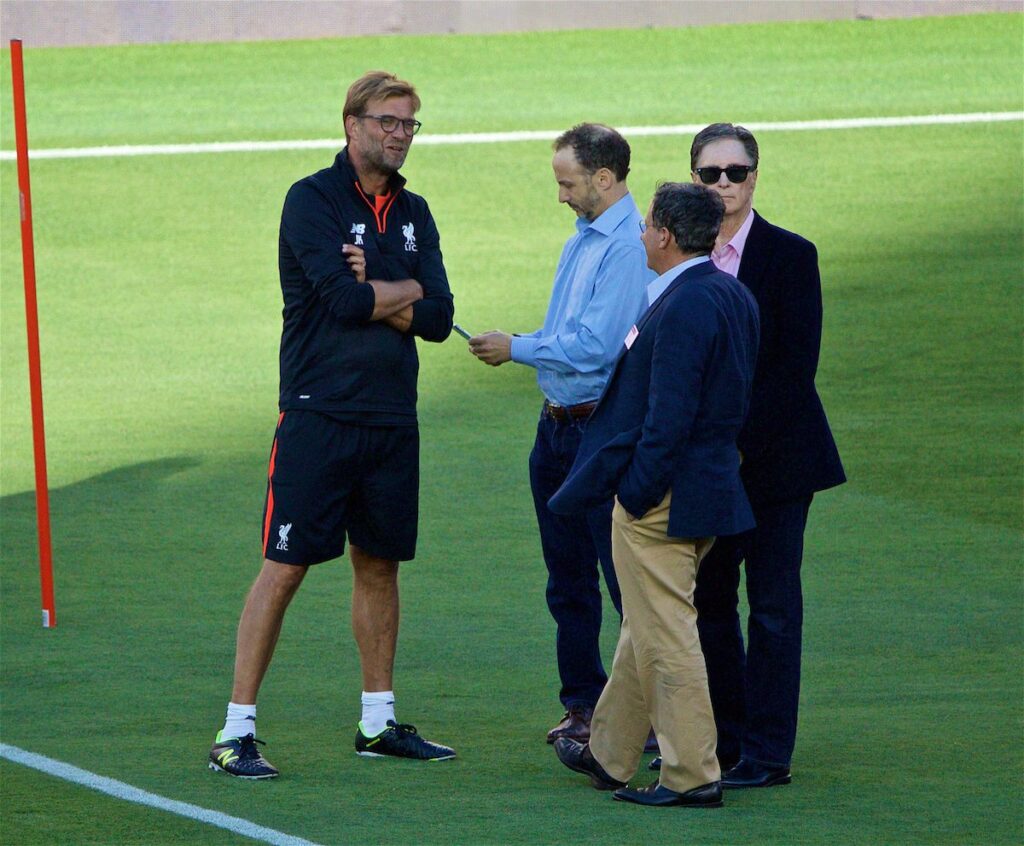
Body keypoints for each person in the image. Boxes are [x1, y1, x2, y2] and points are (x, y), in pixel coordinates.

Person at [208, 70, 456, 779]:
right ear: (351, 125)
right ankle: (235, 732)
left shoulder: (416, 212)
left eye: (410, 124)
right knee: (284, 568)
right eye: (387, 122)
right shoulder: (310, 200)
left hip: (391, 419)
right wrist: (399, 287)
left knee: (380, 566)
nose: (399, 135)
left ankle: (377, 722)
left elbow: (438, 318)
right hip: (319, 416)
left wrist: (379, 279)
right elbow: (343, 307)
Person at [548, 182, 760, 807]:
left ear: (665, 235)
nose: (640, 233)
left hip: (665, 498)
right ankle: (611, 755)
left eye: (645, 225)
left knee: (666, 636)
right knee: (645, 626)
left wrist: (637, 495)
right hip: (707, 489)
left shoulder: (686, 304)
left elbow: (670, 418)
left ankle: (692, 775)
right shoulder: (728, 293)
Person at [651, 123, 846, 788]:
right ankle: (723, 740)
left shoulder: (792, 256)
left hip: (778, 465)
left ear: (755, 177)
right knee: (708, 603)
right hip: (709, 468)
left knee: (771, 608)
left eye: (737, 172)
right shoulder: (679, 259)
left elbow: (793, 372)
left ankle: (767, 753)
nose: (726, 185)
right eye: (711, 175)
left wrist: (731, 447)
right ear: (693, 181)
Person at [467, 124, 653, 745]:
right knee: (566, 579)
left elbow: (597, 346)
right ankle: (584, 706)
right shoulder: (584, 238)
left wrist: (515, 347)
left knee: (618, 578)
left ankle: (643, 717)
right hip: (556, 427)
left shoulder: (626, 246)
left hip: (596, 431)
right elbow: (571, 333)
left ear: (604, 179)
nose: (561, 196)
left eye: (567, 183)